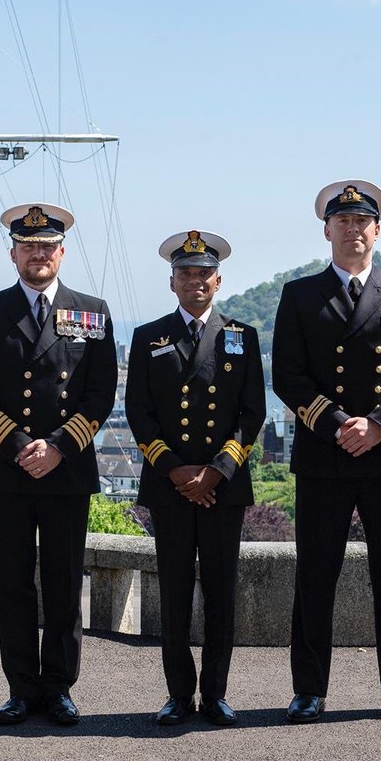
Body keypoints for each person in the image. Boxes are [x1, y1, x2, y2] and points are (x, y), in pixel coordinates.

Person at [272, 179, 381, 726]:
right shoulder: (299, 295)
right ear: (327, 231)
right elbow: (289, 377)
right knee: (316, 577)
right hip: (325, 454)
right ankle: (309, 690)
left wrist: (380, 424)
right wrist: (343, 424)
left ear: (377, 230)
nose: (352, 229)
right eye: (342, 221)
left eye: (361, 221)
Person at [0, 203, 117, 726]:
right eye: (29, 247)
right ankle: (21, 689)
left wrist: (58, 447)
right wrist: (20, 445)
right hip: (7, 470)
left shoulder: (91, 311)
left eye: (47, 246)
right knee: (11, 583)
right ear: (14, 254)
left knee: (64, 582)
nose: (39, 254)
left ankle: (60, 689)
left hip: (66, 471)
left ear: (62, 252)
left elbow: (100, 393)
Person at [125, 230, 265, 726]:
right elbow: (138, 412)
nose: (195, 281)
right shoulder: (149, 337)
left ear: (218, 280)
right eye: (186, 274)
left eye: (204, 274)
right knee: (175, 594)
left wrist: (217, 471)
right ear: (172, 282)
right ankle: (178, 695)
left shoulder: (242, 336)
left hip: (222, 488)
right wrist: (176, 469)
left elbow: (252, 413)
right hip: (171, 485)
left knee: (222, 594)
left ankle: (217, 694)